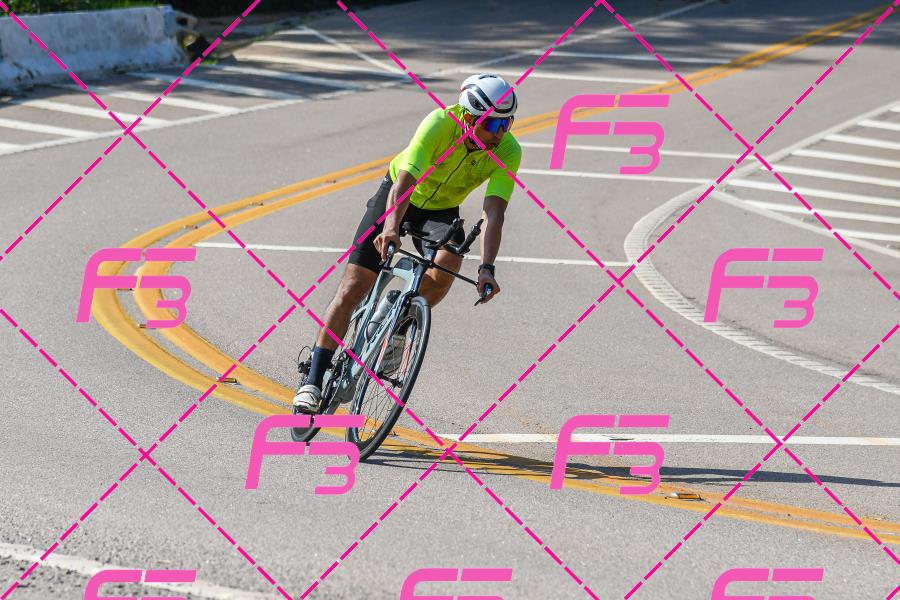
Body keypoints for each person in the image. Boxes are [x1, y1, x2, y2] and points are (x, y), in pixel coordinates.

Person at [293, 73, 522, 413]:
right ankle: (312, 379)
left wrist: (487, 268)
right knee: (353, 287)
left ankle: (397, 322)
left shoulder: (508, 150)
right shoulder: (439, 124)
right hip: (400, 196)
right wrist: (390, 228)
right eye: (493, 125)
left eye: (507, 124)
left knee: (447, 266)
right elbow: (405, 181)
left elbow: (494, 213)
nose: (500, 133)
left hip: (442, 210)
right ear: (469, 117)